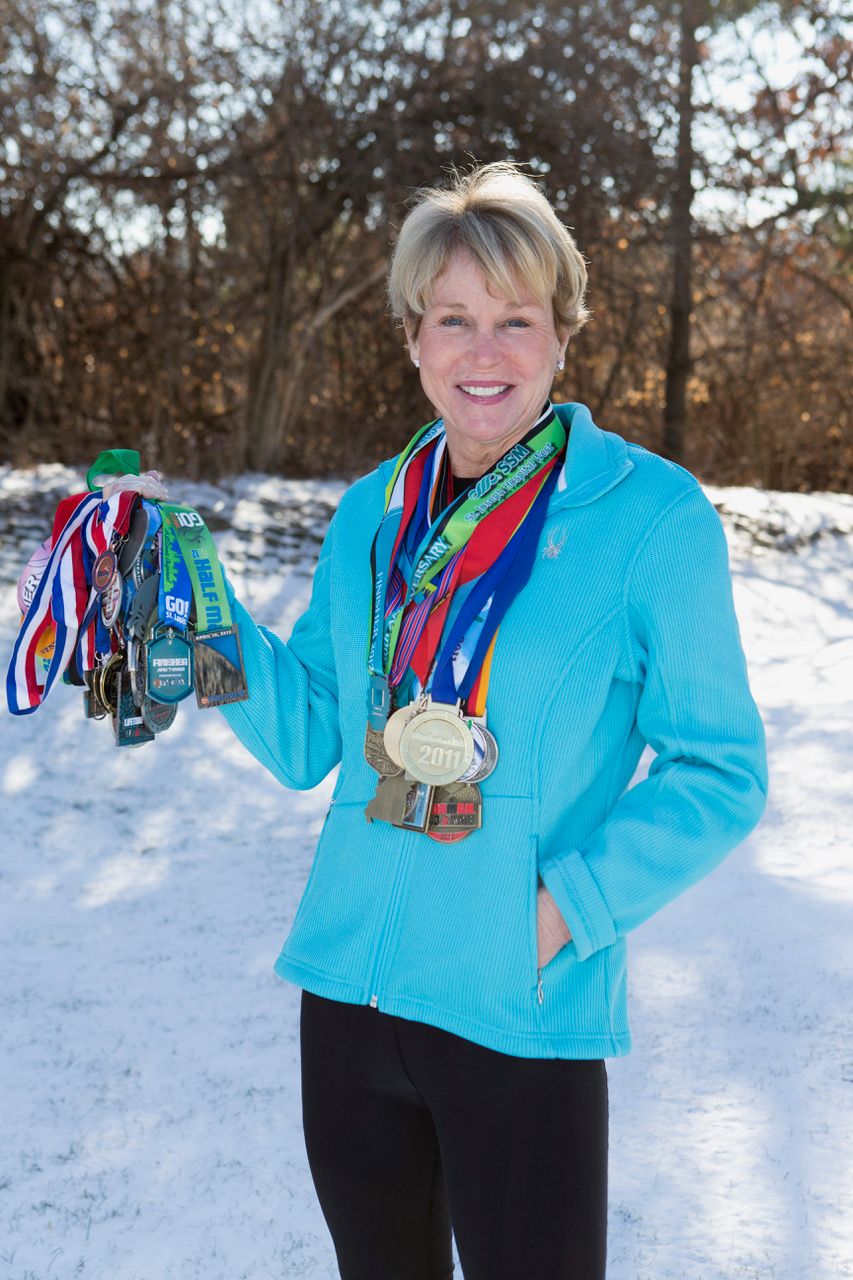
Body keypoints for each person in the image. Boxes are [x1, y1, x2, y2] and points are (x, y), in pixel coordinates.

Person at [217, 162, 768, 1280]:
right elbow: (307, 734)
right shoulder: (375, 509)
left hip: (519, 1002)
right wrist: (197, 624)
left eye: (514, 320)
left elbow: (720, 767)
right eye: (453, 318)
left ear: (560, 336)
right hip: (351, 999)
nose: (483, 352)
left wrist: (569, 908)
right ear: (413, 338)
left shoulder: (651, 517)